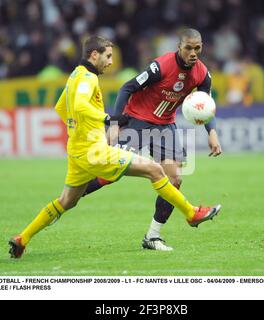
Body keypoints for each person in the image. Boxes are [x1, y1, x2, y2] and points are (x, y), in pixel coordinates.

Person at [8, 35, 221, 258]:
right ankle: (191, 212)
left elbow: (62, 107)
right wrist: (110, 120)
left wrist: (76, 128)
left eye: (198, 48)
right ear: (94, 55)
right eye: (108, 56)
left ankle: (23, 238)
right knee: (151, 171)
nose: (111, 62)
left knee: (68, 201)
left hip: (83, 147)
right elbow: (92, 100)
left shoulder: (75, 75)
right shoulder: (93, 78)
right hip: (124, 129)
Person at [81, 29, 222, 251]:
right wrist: (116, 124)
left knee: (174, 180)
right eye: (188, 48)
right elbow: (126, 87)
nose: (193, 53)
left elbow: (206, 105)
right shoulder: (161, 66)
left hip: (165, 125)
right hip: (137, 119)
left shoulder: (203, 74)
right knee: (109, 174)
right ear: (179, 47)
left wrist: (212, 132)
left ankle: (153, 237)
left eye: (198, 48)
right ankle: (72, 195)